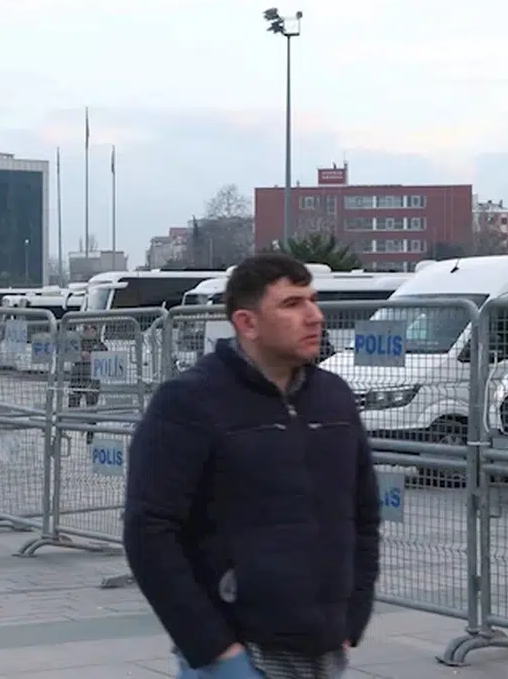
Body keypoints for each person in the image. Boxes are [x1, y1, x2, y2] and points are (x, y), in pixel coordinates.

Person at [123, 254, 381, 679]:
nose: (314, 316)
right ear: (247, 323)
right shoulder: (189, 401)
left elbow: (364, 514)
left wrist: (353, 615)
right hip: (238, 653)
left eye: (313, 300)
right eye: (292, 304)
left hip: (325, 649)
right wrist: (214, 648)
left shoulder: (334, 397)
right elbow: (149, 531)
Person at [68, 324, 108, 444]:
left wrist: (92, 357)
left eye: (90, 329)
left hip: (92, 379)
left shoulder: (100, 345)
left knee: (92, 407)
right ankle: (74, 432)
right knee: (73, 405)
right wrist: (80, 355)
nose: (87, 332)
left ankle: (90, 435)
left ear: (95, 331)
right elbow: (70, 354)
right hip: (77, 377)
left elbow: (105, 358)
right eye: (86, 329)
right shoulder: (78, 343)